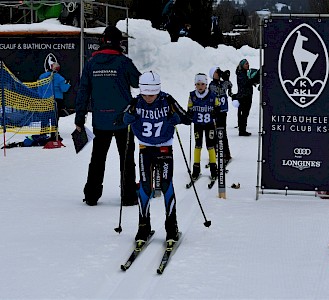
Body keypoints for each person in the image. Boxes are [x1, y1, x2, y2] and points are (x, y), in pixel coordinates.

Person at [74, 25, 141, 206]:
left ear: (102, 41)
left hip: (101, 120)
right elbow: (138, 82)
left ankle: (91, 195)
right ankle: (128, 196)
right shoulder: (124, 62)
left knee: (98, 158)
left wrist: (79, 117)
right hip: (123, 119)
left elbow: (83, 92)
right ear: (119, 42)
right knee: (126, 158)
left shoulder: (91, 64)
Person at [123, 71, 191, 243]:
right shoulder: (136, 102)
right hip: (145, 148)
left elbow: (186, 117)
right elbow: (122, 118)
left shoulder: (167, 100)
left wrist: (177, 118)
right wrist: (127, 118)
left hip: (164, 148)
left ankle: (171, 227)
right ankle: (143, 227)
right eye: (145, 94)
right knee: (145, 187)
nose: (148, 97)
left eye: (152, 94)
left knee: (167, 184)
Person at [188, 73, 220, 180]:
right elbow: (189, 108)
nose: (200, 86)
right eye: (198, 84)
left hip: (209, 125)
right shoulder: (192, 95)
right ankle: (196, 169)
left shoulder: (212, 96)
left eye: (202, 84)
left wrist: (216, 112)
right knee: (198, 146)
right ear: (195, 85)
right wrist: (190, 114)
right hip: (198, 125)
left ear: (206, 84)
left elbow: (218, 107)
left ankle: (213, 169)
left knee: (210, 146)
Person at [38, 62, 71, 139]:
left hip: (45, 99)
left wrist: (42, 97)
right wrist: (68, 84)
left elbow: (39, 88)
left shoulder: (42, 76)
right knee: (54, 117)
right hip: (56, 99)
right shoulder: (60, 78)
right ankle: (54, 134)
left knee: (45, 116)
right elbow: (64, 89)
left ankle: (43, 133)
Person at [208, 66, 233, 164]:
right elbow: (219, 90)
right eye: (216, 72)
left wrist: (227, 79)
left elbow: (230, 85)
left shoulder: (223, 83)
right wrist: (224, 82)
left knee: (223, 132)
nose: (218, 74)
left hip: (223, 111)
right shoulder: (212, 85)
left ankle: (226, 153)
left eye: (218, 72)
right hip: (215, 112)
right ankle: (214, 152)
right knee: (214, 132)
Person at [234, 59, 259, 136]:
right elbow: (246, 83)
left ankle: (242, 128)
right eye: (246, 64)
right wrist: (253, 79)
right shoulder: (241, 74)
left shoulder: (245, 73)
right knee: (243, 113)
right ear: (242, 65)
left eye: (248, 63)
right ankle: (242, 130)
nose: (248, 65)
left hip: (247, 95)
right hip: (243, 96)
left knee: (245, 113)